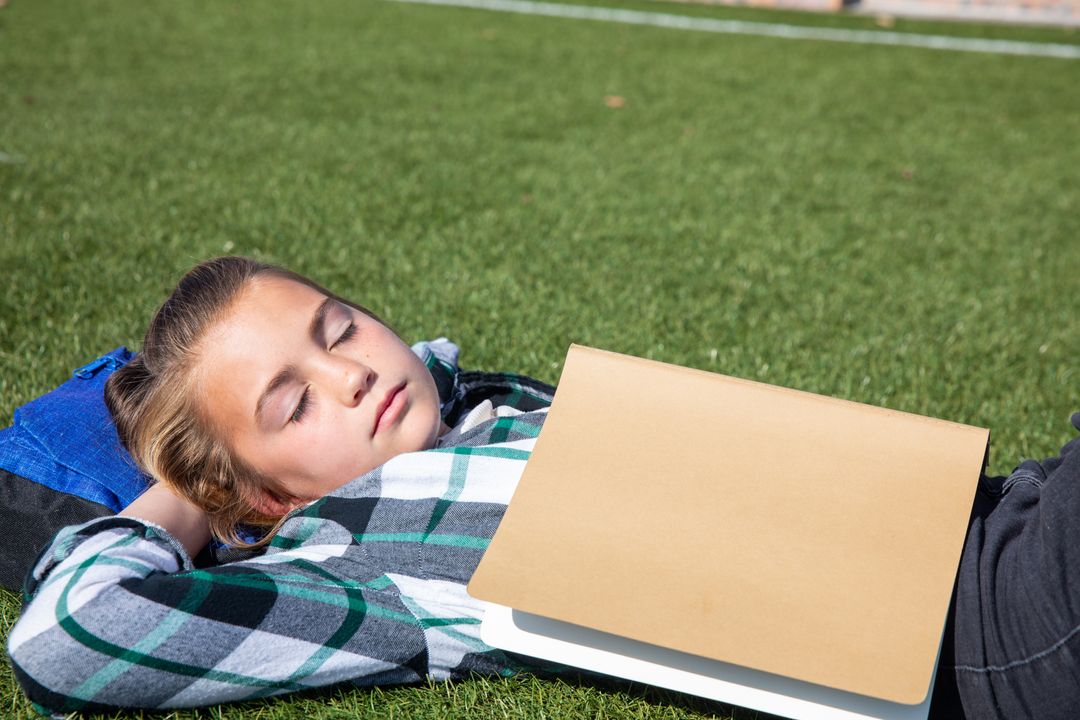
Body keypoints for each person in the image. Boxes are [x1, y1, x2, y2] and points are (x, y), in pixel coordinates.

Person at [7, 256, 1080, 719]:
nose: (347, 373)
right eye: (292, 407)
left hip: (994, 514)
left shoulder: (480, 409)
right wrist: (186, 501)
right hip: (985, 634)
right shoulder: (352, 561)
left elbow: (420, 360)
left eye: (337, 327)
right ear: (270, 498)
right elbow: (74, 637)